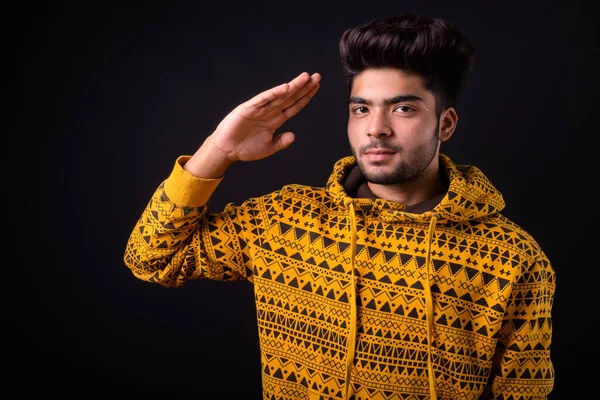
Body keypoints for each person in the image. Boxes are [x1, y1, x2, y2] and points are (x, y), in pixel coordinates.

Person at [124, 12, 555, 400]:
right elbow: (151, 258)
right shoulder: (285, 221)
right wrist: (219, 149)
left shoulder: (513, 259)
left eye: (403, 108)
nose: (376, 129)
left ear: (445, 123)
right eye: (361, 108)